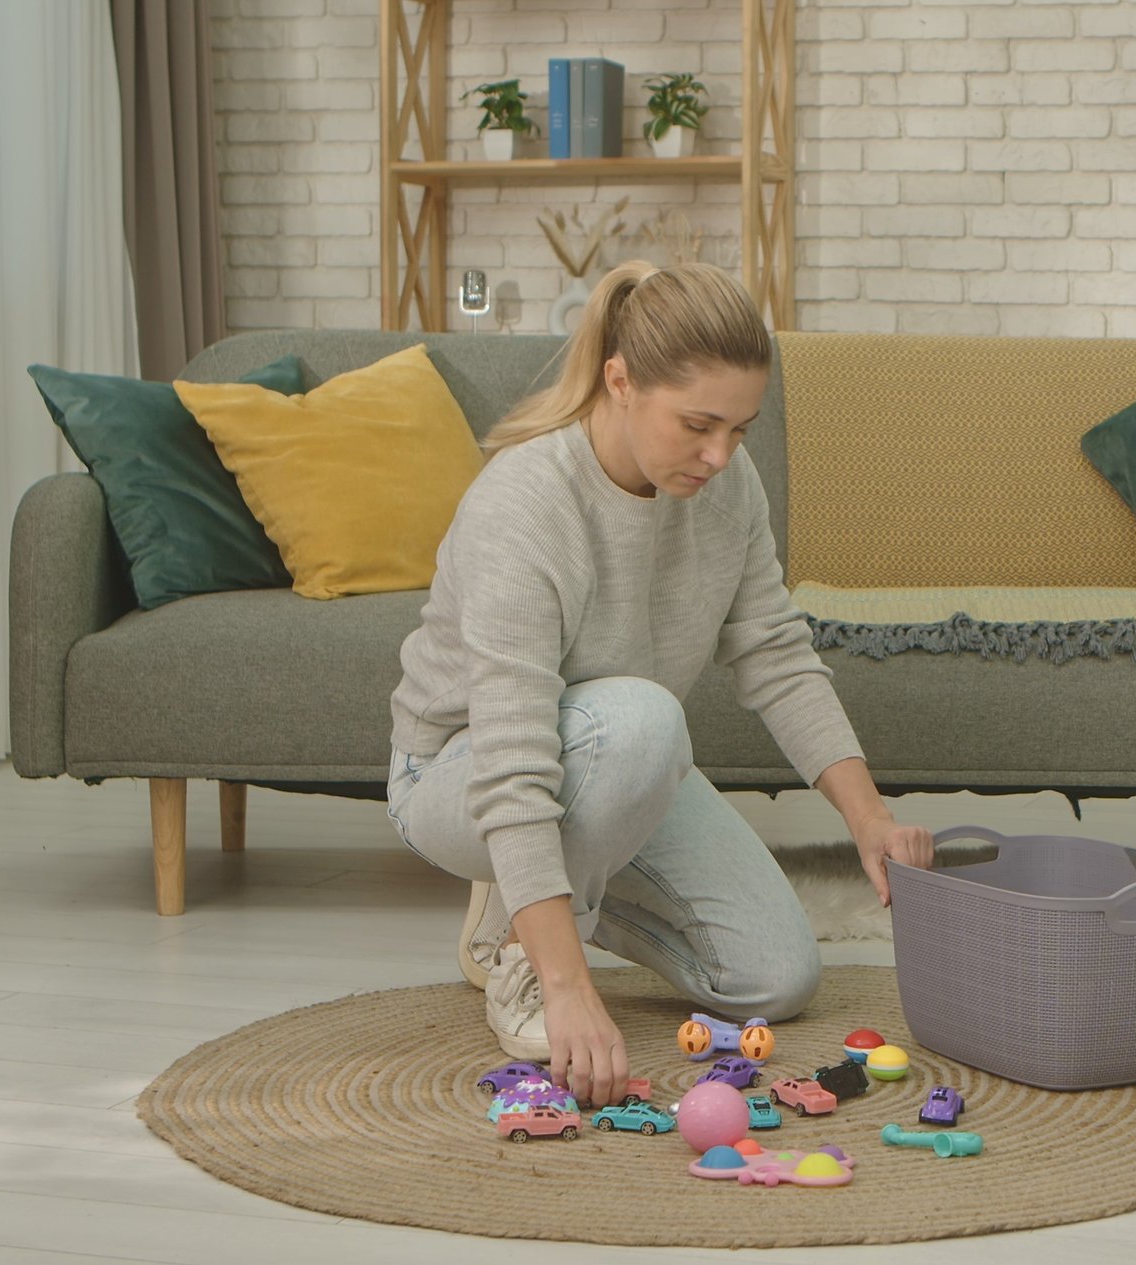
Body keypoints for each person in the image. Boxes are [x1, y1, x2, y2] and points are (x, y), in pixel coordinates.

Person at [385, 260, 935, 1109]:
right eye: (698, 425)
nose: (720, 456)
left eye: (742, 430)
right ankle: (530, 950)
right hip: (464, 773)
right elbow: (514, 756)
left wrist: (872, 819)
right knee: (644, 719)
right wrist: (570, 986)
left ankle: (526, 902)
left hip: (616, 757)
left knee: (777, 977)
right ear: (621, 381)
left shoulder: (724, 487)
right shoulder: (524, 507)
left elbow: (776, 653)